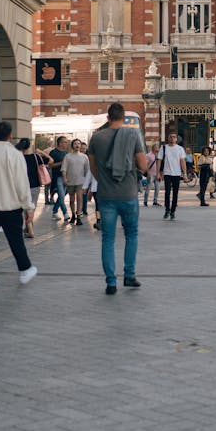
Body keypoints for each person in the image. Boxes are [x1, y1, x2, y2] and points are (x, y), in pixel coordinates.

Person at [87, 103, 147, 294]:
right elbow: (143, 165)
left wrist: (103, 181)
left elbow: (93, 167)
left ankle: (111, 282)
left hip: (106, 195)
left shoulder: (96, 138)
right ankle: (129, 275)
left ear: (108, 117)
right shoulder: (132, 135)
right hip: (128, 194)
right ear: (123, 117)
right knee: (131, 235)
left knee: (108, 239)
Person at [0, 122, 38, 293]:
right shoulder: (15, 155)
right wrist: (28, 207)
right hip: (10, 206)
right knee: (16, 240)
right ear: (10, 135)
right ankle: (25, 269)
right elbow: (22, 184)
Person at [16, 138, 42, 238]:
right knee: (31, 207)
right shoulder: (36, 157)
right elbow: (51, 161)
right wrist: (42, 152)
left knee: (25, 208)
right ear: (30, 146)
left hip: (22, 186)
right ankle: (29, 227)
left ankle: (29, 228)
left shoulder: (18, 158)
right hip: (35, 186)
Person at [158, 131, 187, 220]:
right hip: (167, 173)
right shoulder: (163, 148)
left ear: (176, 139)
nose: (172, 138)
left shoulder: (180, 149)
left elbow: (182, 161)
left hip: (177, 173)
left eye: (174, 137)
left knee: (175, 193)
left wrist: (184, 173)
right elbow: (159, 160)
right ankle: (167, 209)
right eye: (170, 136)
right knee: (167, 192)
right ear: (168, 138)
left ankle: (173, 211)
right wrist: (158, 172)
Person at [62, 139, 89, 225]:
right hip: (70, 181)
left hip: (80, 181)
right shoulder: (68, 156)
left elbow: (87, 170)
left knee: (80, 198)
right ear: (72, 145)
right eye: (75, 143)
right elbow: (64, 169)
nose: (77, 145)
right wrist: (65, 178)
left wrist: (87, 182)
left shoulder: (84, 157)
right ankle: (73, 214)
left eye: (79, 143)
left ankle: (79, 216)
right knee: (72, 199)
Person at [47, 135, 70, 223]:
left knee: (62, 196)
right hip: (58, 177)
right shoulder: (53, 152)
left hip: (66, 177)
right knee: (61, 195)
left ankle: (55, 211)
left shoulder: (66, 153)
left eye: (66, 142)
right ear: (60, 143)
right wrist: (62, 163)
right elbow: (50, 165)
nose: (66, 143)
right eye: (64, 142)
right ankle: (65, 214)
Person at [143, 142, 160, 207]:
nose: (157, 148)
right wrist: (148, 173)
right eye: (156, 147)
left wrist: (160, 173)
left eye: (158, 147)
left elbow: (160, 165)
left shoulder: (158, 155)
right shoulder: (148, 155)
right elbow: (146, 165)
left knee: (157, 188)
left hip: (157, 174)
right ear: (153, 148)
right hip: (151, 174)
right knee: (148, 188)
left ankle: (155, 201)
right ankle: (145, 201)